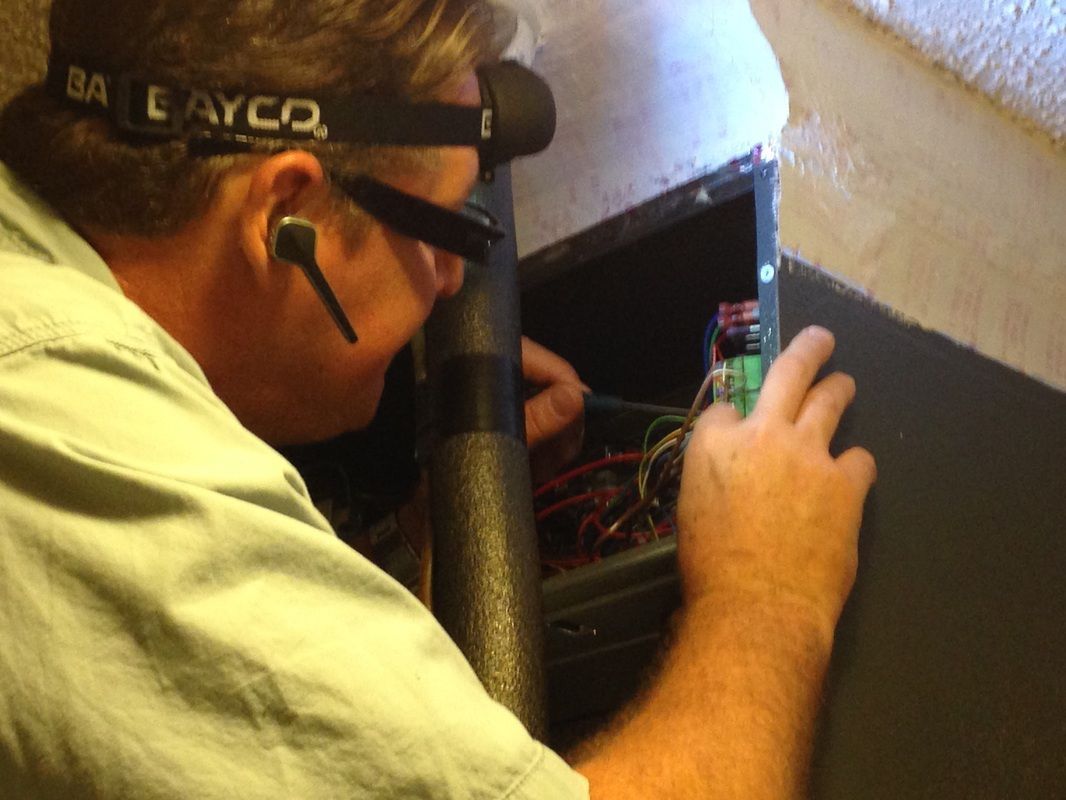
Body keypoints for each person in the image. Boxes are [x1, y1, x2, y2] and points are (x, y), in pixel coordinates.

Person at [0, 0, 876, 797]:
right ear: (285, 218)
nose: (453, 282)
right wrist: (764, 592)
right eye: (443, 230)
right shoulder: (89, 445)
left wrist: (430, 535)